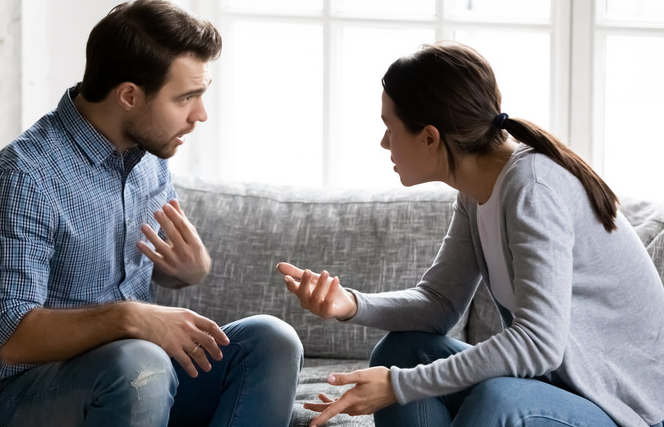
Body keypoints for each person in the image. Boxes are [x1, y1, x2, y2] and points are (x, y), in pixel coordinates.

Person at [277, 41, 664, 427]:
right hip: (563, 390)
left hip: (628, 412)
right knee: (402, 350)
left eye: (389, 129)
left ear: (430, 137)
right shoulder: (475, 191)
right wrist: (351, 304)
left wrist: (399, 385)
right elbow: (438, 302)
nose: (383, 143)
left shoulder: (533, 188)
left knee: (500, 400)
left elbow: (538, 344)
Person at [0, 0, 302, 427]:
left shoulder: (148, 152)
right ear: (129, 96)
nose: (200, 114)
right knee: (140, 362)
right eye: (186, 98)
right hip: (40, 389)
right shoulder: (22, 178)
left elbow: (130, 267)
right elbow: (12, 338)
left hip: (146, 378)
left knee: (271, 340)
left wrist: (188, 270)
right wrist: (131, 318)